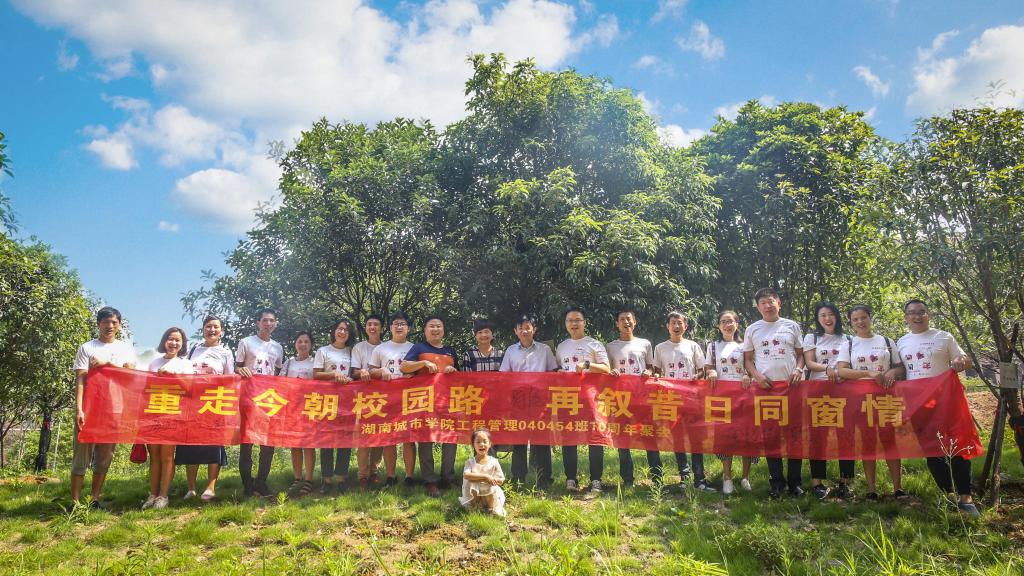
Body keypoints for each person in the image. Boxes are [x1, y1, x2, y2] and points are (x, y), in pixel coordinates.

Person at [897, 299, 980, 518]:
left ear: (929, 314)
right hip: (919, 405)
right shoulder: (901, 342)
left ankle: (966, 496)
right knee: (932, 449)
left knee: (958, 446)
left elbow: (965, 361)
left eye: (921, 312)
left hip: (947, 402)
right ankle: (948, 494)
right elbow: (900, 370)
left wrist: (961, 360)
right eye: (912, 313)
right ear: (906, 317)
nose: (917, 316)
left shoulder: (944, 337)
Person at [836, 304, 903, 501]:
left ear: (870, 318)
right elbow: (842, 370)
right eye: (855, 319)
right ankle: (872, 489)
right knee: (868, 442)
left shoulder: (887, 341)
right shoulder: (849, 344)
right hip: (860, 400)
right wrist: (869, 373)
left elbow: (900, 368)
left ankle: (898, 488)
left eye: (863, 317)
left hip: (885, 398)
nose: (860, 322)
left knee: (890, 440)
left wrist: (892, 372)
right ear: (851, 323)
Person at [742, 288, 805, 499]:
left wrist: (799, 370)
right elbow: (748, 360)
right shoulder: (752, 329)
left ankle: (795, 483)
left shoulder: (791, 326)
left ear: (779, 303)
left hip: (792, 388)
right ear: (758, 307)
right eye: (763, 302)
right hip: (766, 390)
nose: (767, 306)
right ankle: (776, 482)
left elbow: (801, 355)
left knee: (794, 436)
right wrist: (757, 376)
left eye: (771, 301)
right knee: (771, 437)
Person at [72, 306, 137, 507]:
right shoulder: (87, 347)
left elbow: (130, 376)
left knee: (105, 456)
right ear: (99, 324)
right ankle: (75, 502)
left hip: (114, 409)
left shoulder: (125, 349)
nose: (109, 326)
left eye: (114, 322)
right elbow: (80, 379)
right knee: (81, 455)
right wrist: (79, 408)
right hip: (89, 409)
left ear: (119, 325)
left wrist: (107, 363)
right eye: (105, 322)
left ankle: (95, 499)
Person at [653, 311, 715, 492]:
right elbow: (657, 371)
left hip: (692, 398)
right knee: (678, 439)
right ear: (668, 326)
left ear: (685, 326)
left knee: (696, 438)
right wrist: (656, 377)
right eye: (673, 322)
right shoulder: (660, 348)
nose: (676, 326)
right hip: (671, 400)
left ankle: (700, 479)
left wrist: (696, 376)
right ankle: (684, 477)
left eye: (680, 323)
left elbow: (702, 369)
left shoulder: (693, 346)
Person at [401, 315, 460, 497]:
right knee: (426, 440)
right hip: (425, 401)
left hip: (447, 401)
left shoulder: (450, 351)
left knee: (450, 439)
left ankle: (448, 477)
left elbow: (460, 376)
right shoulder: (418, 348)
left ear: (443, 330)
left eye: (438, 326)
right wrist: (424, 363)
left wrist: (453, 370)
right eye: (431, 326)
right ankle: (430, 480)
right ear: (425, 330)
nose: (435, 329)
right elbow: (404, 367)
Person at [177, 314, 233, 502]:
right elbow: (183, 373)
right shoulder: (193, 350)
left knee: (214, 445)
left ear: (221, 331)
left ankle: (210, 487)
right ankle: (191, 488)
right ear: (203, 329)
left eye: (216, 327)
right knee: (190, 445)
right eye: (208, 326)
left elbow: (230, 380)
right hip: (192, 404)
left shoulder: (225, 352)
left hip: (214, 404)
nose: (212, 330)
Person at [498, 314, 558, 488]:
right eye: (521, 328)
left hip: (541, 401)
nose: (524, 331)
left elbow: (553, 373)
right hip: (518, 401)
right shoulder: (510, 351)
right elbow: (504, 376)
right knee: (519, 441)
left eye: (527, 327)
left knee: (542, 441)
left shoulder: (544, 350)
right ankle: (518, 479)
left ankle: (544, 480)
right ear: (515, 331)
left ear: (534, 329)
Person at [802, 302, 855, 500]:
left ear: (837, 316)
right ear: (818, 319)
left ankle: (845, 482)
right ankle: (817, 482)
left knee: (846, 436)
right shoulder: (812, 338)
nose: (827, 318)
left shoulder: (849, 339)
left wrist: (844, 374)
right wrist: (827, 369)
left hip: (844, 392)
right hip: (819, 393)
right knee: (818, 437)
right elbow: (809, 362)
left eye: (831, 314)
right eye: (823, 315)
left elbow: (852, 364)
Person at [556, 307, 612, 494]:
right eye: (570, 320)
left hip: (592, 398)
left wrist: (587, 365)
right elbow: (558, 369)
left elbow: (606, 368)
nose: (574, 323)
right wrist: (559, 372)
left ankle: (596, 480)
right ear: (566, 324)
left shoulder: (594, 344)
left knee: (595, 438)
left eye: (577, 320)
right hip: (568, 399)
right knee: (569, 438)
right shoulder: (561, 346)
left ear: (584, 323)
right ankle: (571, 478)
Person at [704, 310, 755, 495]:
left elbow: (752, 365)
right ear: (719, 326)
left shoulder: (745, 345)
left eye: (730, 321)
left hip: (744, 396)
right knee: (725, 436)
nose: (727, 325)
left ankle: (745, 477)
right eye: (723, 322)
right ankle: (727, 477)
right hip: (722, 398)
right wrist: (711, 372)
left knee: (746, 436)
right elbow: (708, 366)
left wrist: (748, 375)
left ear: (737, 324)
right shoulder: (713, 346)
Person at [235, 308, 284, 497]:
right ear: (258, 323)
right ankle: (247, 484)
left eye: (271, 320)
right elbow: (237, 367)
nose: (268, 324)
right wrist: (240, 371)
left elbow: (277, 372)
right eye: (265, 320)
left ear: (275, 324)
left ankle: (261, 482)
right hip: (248, 396)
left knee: (268, 442)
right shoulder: (246, 342)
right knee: (247, 441)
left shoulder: (278, 347)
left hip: (269, 400)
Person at [606, 309, 658, 487]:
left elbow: (651, 367)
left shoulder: (645, 344)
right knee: (623, 440)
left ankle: (657, 477)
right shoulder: (610, 346)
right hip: (621, 399)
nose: (626, 322)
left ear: (634, 322)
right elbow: (607, 369)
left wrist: (648, 371)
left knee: (649, 436)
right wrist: (612, 371)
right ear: (617, 324)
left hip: (642, 397)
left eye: (629, 319)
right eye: (622, 319)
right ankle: (627, 479)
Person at [144, 327, 194, 510]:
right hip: (153, 411)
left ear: (182, 344)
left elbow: (189, 388)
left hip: (173, 413)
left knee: (167, 456)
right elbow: (146, 387)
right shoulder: (154, 362)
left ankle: (163, 496)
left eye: (177, 340)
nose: (173, 343)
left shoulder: (185, 364)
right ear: (164, 341)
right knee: (154, 456)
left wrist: (173, 376)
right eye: (170, 339)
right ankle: (152, 494)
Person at [368, 312, 415, 487]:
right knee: (389, 437)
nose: (399, 326)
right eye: (396, 323)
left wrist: (414, 375)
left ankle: (409, 476)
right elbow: (371, 371)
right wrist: (381, 371)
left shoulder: (415, 348)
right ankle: (391, 475)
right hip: (386, 399)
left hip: (409, 398)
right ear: (390, 328)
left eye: (403, 324)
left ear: (408, 328)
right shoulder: (380, 349)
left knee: (409, 438)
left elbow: (422, 372)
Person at [313, 320, 357, 492]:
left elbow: (355, 374)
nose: (342, 332)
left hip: (347, 401)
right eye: (339, 329)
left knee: (345, 439)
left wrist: (349, 379)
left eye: (346, 330)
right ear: (334, 331)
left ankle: (341, 478)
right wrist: (334, 374)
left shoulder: (352, 351)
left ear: (349, 334)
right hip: (327, 400)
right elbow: (316, 374)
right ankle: (327, 479)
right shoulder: (323, 351)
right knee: (326, 440)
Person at [352, 315, 385, 487]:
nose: (372, 327)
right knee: (363, 437)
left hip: (384, 397)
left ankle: (374, 471)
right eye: (369, 324)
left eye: (376, 324)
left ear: (381, 328)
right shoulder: (359, 347)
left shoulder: (387, 347)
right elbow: (354, 372)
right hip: (364, 397)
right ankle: (362, 474)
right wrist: (362, 372)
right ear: (365, 328)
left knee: (380, 435)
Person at [283, 331, 317, 497]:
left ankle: (309, 479)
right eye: (300, 341)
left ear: (310, 345)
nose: (303, 344)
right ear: (295, 344)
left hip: (310, 407)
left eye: (306, 341)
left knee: (309, 444)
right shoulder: (289, 362)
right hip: (292, 408)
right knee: (294, 443)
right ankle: (297, 478)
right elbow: (279, 382)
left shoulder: (315, 362)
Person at [460, 428, 506, 517]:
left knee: (488, 486)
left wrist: (491, 480)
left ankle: (490, 509)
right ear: (473, 445)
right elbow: (466, 475)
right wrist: (485, 477)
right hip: (474, 496)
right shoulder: (470, 462)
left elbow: (501, 479)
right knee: (473, 484)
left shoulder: (494, 461)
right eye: (478, 442)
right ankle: (476, 509)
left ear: (490, 444)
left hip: (489, 495)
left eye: (485, 441)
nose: (482, 444)